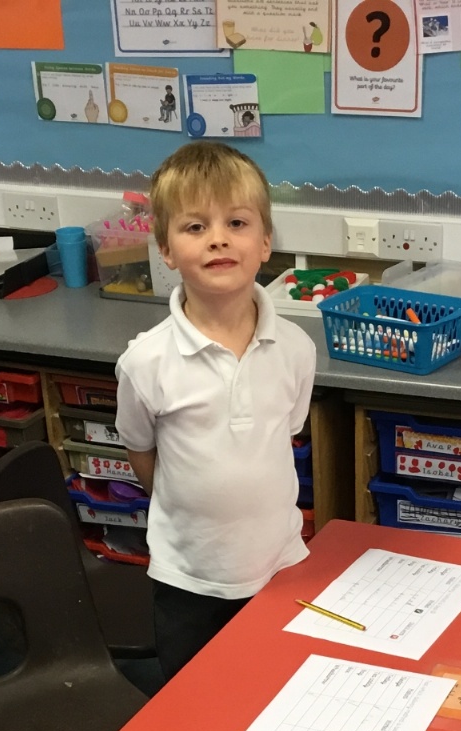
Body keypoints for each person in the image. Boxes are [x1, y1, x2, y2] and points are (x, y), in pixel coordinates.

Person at [115, 141, 315, 682]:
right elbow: (141, 450)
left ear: (266, 242)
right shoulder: (146, 361)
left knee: (274, 692)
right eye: (195, 226)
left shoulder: (296, 348)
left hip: (278, 564)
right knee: (195, 698)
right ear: (166, 248)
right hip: (189, 577)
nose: (219, 238)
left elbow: (284, 435)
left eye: (237, 222)